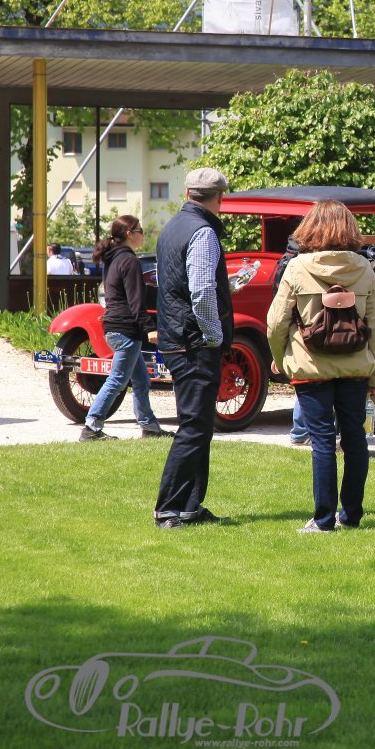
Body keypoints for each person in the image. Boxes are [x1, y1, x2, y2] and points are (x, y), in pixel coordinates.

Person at [266, 200, 375, 532]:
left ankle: (322, 520)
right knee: (355, 439)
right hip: (355, 368)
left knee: (321, 441)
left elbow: (275, 324)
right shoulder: (365, 269)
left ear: (310, 228)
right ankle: (351, 516)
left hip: (311, 367)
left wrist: (282, 360)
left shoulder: (296, 268)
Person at [153, 167, 234, 529]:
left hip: (176, 336)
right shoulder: (203, 232)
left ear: (187, 194)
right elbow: (201, 292)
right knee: (193, 427)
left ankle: (190, 507)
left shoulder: (172, 227)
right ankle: (168, 509)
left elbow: (176, 284)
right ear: (220, 198)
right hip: (194, 342)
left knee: (199, 426)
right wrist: (213, 335)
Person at [79, 215, 167, 442]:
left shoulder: (113, 258)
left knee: (141, 380)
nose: (143, 234)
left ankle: (150, 427)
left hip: (115, 327)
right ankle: (91, 427)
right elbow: (135, 301)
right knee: (117, 380)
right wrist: (149, 328)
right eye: (140, 230)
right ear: (129, 234)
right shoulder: (129, 261)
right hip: (126, 329)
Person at [272, 232, 310, 448]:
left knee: (303, 382)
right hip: (305, 329)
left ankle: (300, 430)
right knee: (308, 381)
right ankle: (301, 431)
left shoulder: (286, 260)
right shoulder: (301, 264)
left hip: (292, 328)